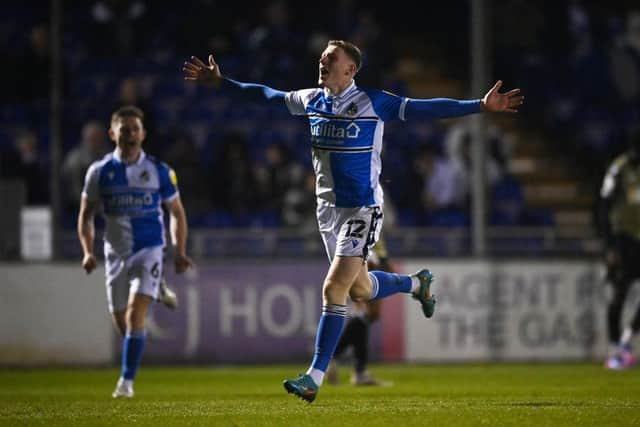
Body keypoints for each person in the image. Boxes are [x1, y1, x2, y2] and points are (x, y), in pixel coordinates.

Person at [183, 39, 523, 402]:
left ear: (351, 69)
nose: (323, 62)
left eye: (331, 58)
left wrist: (480, 106)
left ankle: (313, 376)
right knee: (360, 289)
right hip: (327, 212)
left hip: (362, 209)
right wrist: (222, 82)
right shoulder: (311, 99)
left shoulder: (373, 102)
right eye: (322, 57)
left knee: (334, 290)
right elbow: (266, 95)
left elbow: (426, 109)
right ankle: (416, 284)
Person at [77, 105, 192, 397]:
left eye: (135, 130)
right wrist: (87, 251)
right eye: (124, 130)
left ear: (143, 134)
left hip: (149, 249)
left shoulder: (159, 171)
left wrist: (179, 250)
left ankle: (125, 383)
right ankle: (159, 287)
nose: (129, 135)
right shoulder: (99, 172)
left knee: (134, 316)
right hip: (115, 253)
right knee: (122, 323)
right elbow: (86, 215)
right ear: (112, 133)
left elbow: (176, 213)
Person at [327, 231, 394, 386]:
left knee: (365, 317)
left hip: (366, 253)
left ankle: (357, 370)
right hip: (364, 253)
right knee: (364, 314)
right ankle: (335, 360)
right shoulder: (367, 209)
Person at [599, 127, 640, 370]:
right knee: (619, 294)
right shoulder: (619, 168)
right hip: (623, 238)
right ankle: (615, 350)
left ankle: (625, 343)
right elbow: (604, 205)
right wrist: (609, 245)